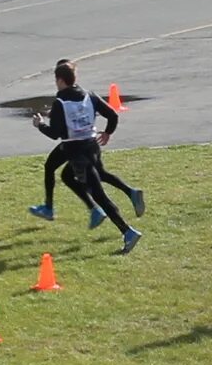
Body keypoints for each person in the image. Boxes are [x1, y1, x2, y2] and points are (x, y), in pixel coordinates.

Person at [26, 60, 143, 249]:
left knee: (100, 195)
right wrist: (107, 132)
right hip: (90, 146)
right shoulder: (90, 96)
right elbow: (113, 115)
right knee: (67, 176)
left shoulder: (60, 103)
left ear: (61, 80)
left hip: (77, 154)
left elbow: (55, 133)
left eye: (57, 80)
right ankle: (100, 209)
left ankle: (128, 231)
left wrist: (39, 125)